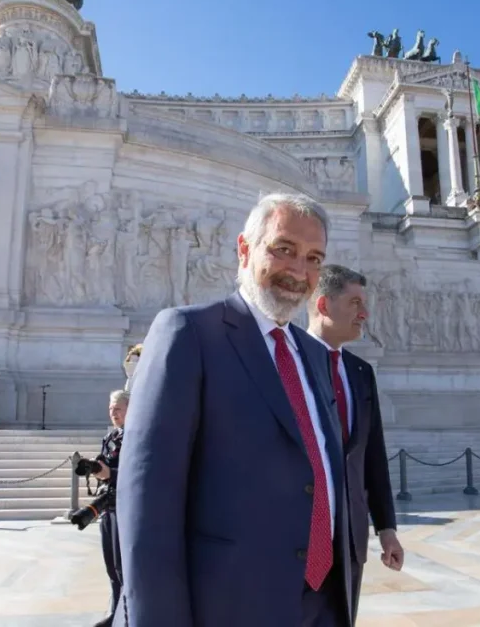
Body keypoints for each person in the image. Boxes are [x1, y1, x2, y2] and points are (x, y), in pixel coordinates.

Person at [116, 192, 353, 627]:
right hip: (227, 607)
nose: (300, 270)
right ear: (245, 249)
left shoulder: (315, 356)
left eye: (314, 257)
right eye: (284, 249)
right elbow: (147, 505)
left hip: (323, 605)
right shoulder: (188, 333)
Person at [306, 265, 403, 621]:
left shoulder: (361, 372)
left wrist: (387, 528)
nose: (365, 313)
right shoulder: (289, 361)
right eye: (355, 302)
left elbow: (372, 456)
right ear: (324, 305)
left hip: (349, 541)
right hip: (298, 541)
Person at [91, 389, 127, 627]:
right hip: (107, 506)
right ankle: (115, 613)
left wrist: (110, 474)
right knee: (111, 567)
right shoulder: (111, 437)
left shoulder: (134, 436)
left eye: (118, 409)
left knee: (122, 567)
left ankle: (125, 616)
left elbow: (136, 471)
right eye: (111, 409)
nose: (113, 413)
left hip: (124, 507)